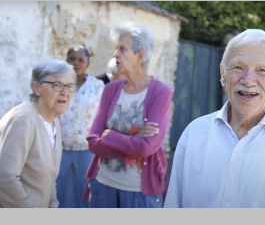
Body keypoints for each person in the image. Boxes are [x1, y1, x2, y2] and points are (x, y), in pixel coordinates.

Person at [164, 29, 265, 208]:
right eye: (238, 67)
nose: (248, 80)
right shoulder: (194, 134)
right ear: (223, 75)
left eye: (262, 70)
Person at [83, 21, 173, 208]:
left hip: (138, 193)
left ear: (140, 55)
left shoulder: (161, 92)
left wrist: (110, 136)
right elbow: (93, 141)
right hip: (102, 185)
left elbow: (146, 148)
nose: (115, 54)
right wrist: (131, 144)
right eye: (116, 48)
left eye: (122, 49)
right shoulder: (111, 89)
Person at [0, 59, 76, 208]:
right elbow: (5, 177)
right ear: (37, 88)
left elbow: (50, 179)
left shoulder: (54, 122)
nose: (65, 92)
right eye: (57, 85)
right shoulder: (23, 120)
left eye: (70, 86)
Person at [56, 45, 105, 208]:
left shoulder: (97, 86)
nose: (76, 63)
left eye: (80, 60)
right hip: (59, 148)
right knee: (57, 191)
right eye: (72, 59)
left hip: (87, 149)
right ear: (66, 61)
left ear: (88, 63)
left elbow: (104, 114)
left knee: (84, 192)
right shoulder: (57, 85)